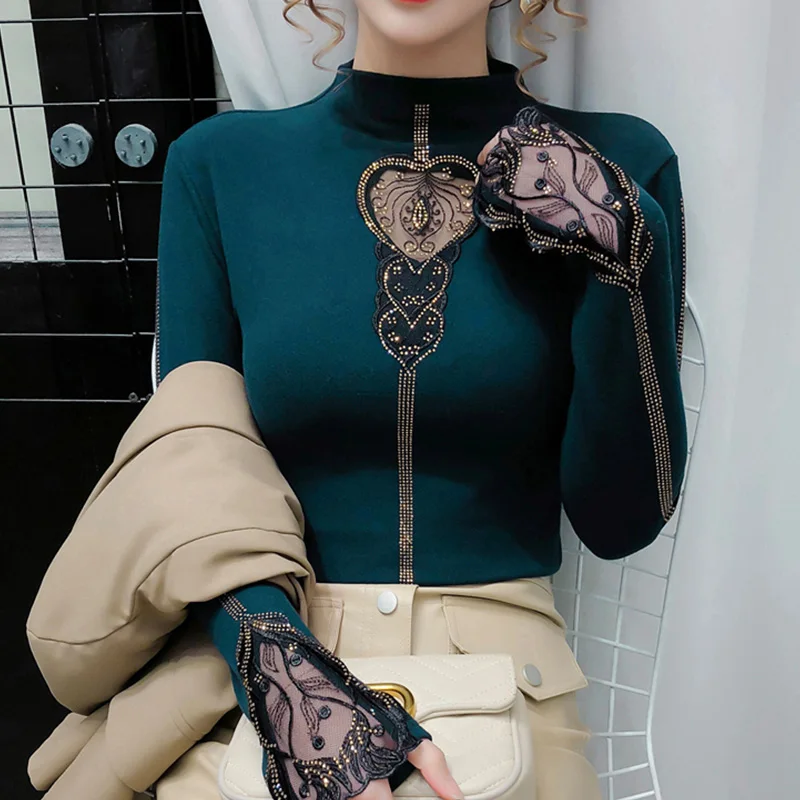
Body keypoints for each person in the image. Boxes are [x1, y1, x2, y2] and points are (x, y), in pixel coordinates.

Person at [31, 1, 688, 799]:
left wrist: (623, 240)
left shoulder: (623, 161)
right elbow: (191, 476)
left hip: (508, 687)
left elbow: (622, 521)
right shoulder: (221, 165)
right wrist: (294, 693)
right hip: (264, 673)